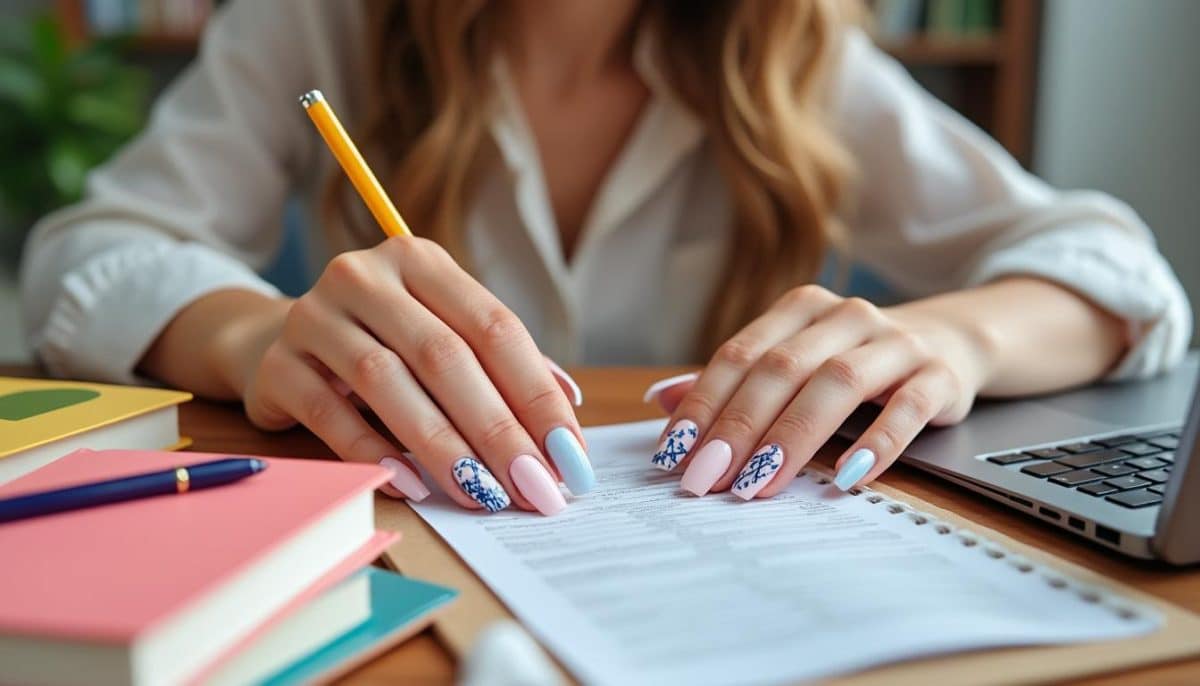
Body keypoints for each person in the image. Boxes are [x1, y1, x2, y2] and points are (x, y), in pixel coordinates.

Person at [21, 0, 1190, 517]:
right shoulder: (321, 19)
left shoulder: (790, 50)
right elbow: (89, 252)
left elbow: (1115, 268)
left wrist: (955, 336)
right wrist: (255, 333)